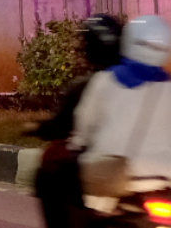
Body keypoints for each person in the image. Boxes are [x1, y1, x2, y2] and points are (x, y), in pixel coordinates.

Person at [72, 15, 171, 211]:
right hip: (169, 177)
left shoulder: (104, 81)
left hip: (113, 178)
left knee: (89, 211)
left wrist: (79, 143)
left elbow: (85, 123)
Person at [30, 15, 124, 228]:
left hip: (102, 166)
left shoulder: (85, 87)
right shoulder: (146, 83)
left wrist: (40, 128)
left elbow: (63, 126)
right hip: (142, 165)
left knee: (52, 164)